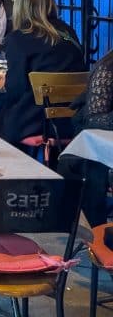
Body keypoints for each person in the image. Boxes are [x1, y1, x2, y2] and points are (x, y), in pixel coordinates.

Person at [0, 0, 86, 145]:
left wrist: (6, 83)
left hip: (37, 122)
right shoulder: (69, 32)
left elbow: (16, 91)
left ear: (20, 7)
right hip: (74, 119)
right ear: (50, 4)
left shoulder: (18, 38)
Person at [58, 49, 113, 225]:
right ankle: (97, 232)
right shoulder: (107, 69)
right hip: (93, 137)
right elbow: (95, 118)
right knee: (95, 160)